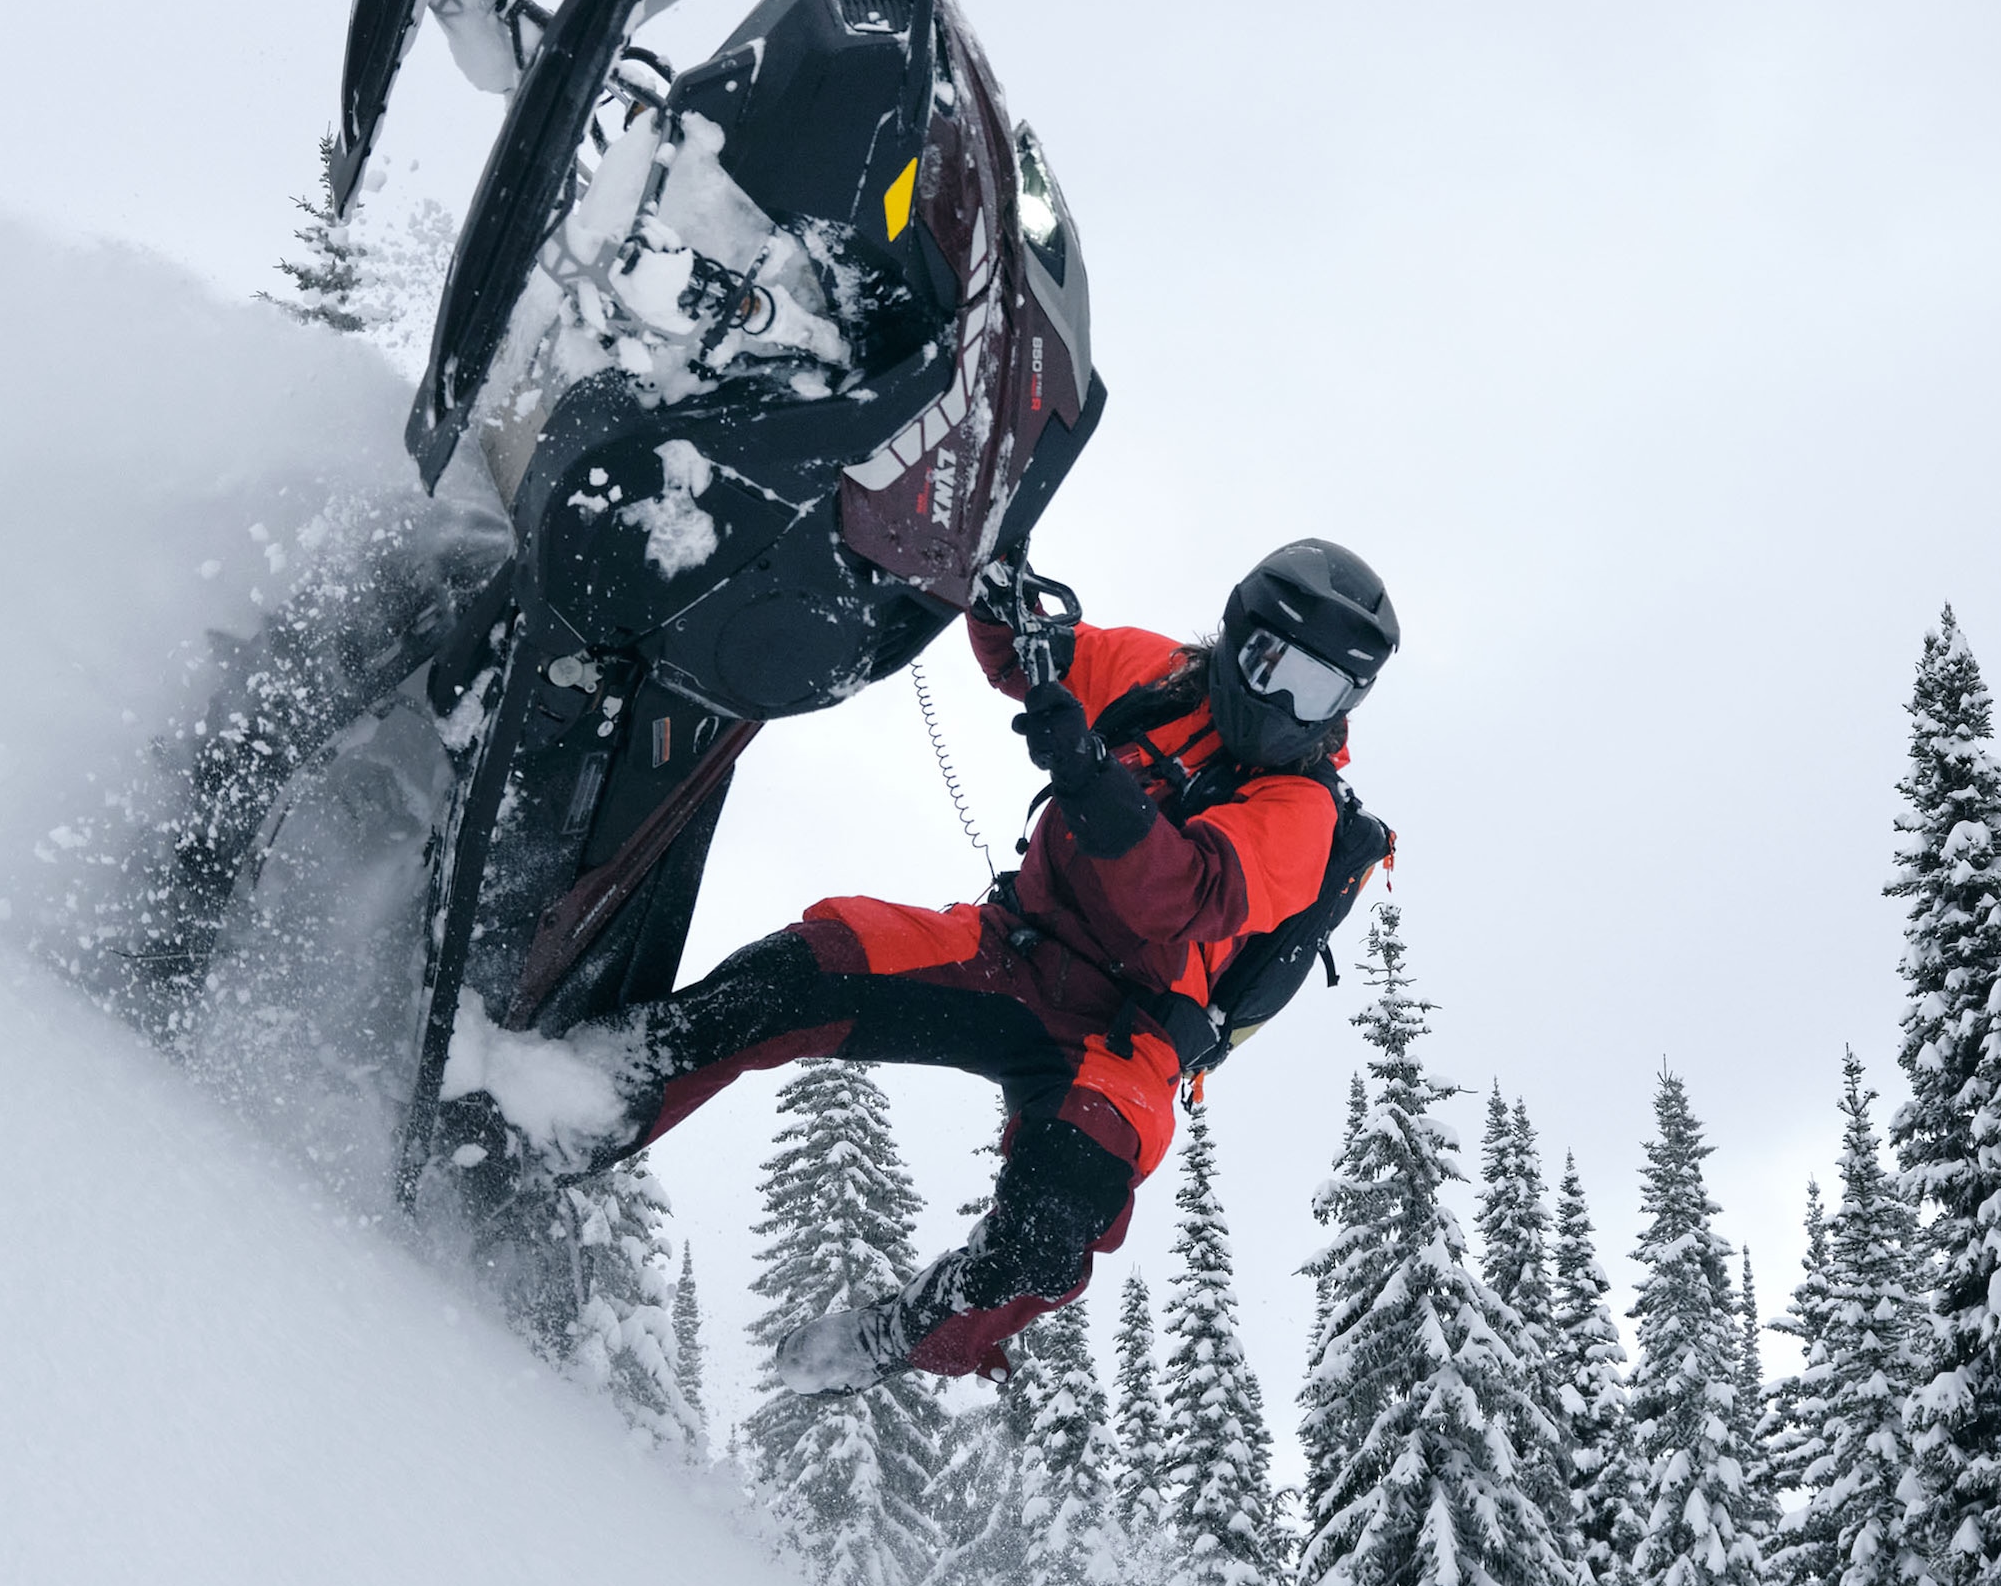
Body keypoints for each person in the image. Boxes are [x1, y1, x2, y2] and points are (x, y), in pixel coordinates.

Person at [560, 538, 1399, 1389]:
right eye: (1270, 664)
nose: (1286, 703)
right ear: (1235, 631)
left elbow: (1180, 896)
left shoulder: (1301, 808)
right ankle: (569, 1110)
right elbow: (1029, 660)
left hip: (1126, 1037)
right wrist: (999, 596)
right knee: (795, 976)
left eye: (1320, 690)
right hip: (1015, 948)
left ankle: (902, 1336)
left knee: (1051, 1225)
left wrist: (1087, 773)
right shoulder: (1163, 677)